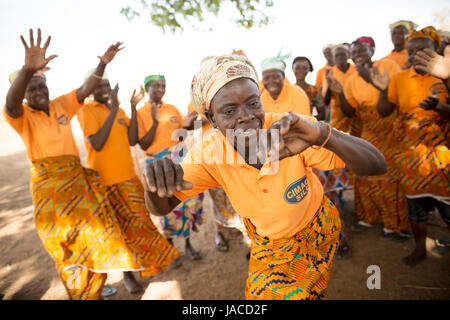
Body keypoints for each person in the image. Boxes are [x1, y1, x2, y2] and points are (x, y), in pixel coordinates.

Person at [143, 54, 387, 300]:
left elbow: (376, 165)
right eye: (229, 110)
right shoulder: (210, 153)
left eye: (252, 103)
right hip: (269, 245)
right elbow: (162, 206)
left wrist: (323, 134)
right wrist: (153, 186)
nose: (246, 116)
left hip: (318, 231)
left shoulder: (289, 131)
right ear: (212, 120)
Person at [3, 28, 176, 300]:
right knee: (64, 246)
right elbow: (11, 103)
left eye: (41, 85)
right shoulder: (21, 116)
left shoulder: (62, 105)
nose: (38, 91)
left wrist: (103, 63)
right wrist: (26, 70)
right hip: (51, 192)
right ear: (24, 94)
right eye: (31, 88)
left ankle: (96, 289)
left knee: (95, 239)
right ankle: (82, 293)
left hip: (79, 185)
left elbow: (86, 89)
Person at [76, 73, 179, 293]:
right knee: (118, 230)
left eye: (107, 84)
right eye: (99, 85)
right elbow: (96, 143)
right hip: (105, 182)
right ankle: (128, 276)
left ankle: (145, 266)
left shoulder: (121, 111)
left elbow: (133, 140)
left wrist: (131, 107)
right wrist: (114, 110)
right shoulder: (87, 111)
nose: (104, 88)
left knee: (141, 222)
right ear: (92, 89)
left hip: (129, 178)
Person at [375, 26, 450, 266]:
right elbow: (384, 112)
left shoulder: (445, 76)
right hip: (411, 152)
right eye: (411, 51)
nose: (416, 55)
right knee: (415, 203)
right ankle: (420, 248)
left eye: (422, 50)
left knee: (447, 204)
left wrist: (440, 107)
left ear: (436, 51)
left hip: (443, 150)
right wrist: (383, 90)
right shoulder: (399, 79)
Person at [327, 36, 411, 239]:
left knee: (390, 175)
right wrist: (339, 94)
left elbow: (394, 99)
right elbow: (349, 113)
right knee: (363, 171)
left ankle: (396, 226)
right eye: (354, 53)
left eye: (362, 51)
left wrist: (371, 80)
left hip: (392, 127)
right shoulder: (352, 79)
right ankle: (370, 217)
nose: (357, 56)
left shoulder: (387, 66)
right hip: (369, 129)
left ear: (372, 51)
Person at [137, 75, 204, 265]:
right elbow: (143, 143)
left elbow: (182, 135)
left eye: (163, 86)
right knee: (165, 208)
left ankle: (188, 244)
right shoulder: (141, 112)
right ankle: (171, 249)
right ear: (147, 88)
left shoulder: (172, 109)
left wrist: (193, 123)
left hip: (178, 160)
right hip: (157, 164)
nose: (161, 89)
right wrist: (155, 120)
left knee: (185, 203)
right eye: (156, 86)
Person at [260, 52, 311, 116]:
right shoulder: (261, 99)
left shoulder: (297, 93)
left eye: (275, 77)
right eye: (266, 78)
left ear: (283, 76)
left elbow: (303, 122)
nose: (271, 81)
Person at [292, 56, 326, 120]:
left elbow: (322, 115)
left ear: (309, 69)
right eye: (297, 67)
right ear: (293, 69)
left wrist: (306, 120)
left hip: (307, 127)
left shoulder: (314, 90)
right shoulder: (287, 89)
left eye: (304, 68)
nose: (301, 70)